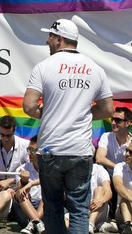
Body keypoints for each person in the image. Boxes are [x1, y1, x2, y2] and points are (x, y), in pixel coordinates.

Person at [22, 18, 114, 234]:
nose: (47, 41)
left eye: (50, 37)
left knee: (53, 207)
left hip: (51, 149)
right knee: (80, 210)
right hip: (80, 150)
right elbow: (108, 110)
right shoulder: (95, 68)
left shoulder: (44, 67)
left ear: (59, 39)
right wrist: (84, 114)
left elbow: (28, 106)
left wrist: (49, 113)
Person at [96, 107, 132, 219]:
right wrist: (118, 169)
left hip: (126, 178)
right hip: (109, 176)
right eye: (112, 119)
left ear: (128, 123)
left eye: (118, 120)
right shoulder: (106, 136)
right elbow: (99, 158)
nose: (113, 122)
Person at [0, 116, 29, 194]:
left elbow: (30, 171)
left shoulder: (25, 145)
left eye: (8, 135)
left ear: (14, 130)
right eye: (2, 135)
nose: (5, 139)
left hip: (17, 185)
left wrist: (10, 181)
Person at [14, 136, 45, 234]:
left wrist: (31, 183)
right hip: (27, 206)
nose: (29, 153)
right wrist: (24, 181)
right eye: (29, 149)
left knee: (49, 192)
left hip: (44, 206)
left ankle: (34, 222)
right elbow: (20, 189)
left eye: (33, 150)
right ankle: (37, 222)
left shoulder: (50, 168)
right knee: (20, 192)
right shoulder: (22, 168)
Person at [113, 142, 132, 233]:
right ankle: (128, 225)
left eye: (131, 152)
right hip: (122, 211)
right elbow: (118, 185)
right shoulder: (119, 167)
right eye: (127, 150)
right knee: (126, 193)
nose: (127, 154)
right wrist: (131, 198)